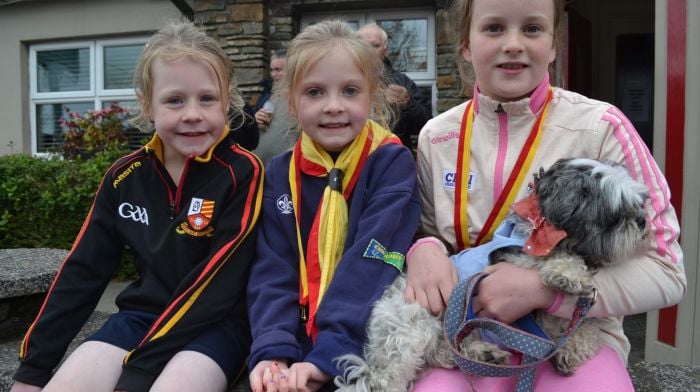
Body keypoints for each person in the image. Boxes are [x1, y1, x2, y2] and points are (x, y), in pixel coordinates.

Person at [404, 0, 686, 390]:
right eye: (493, 28)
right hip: (465, 333)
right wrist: (423, 249)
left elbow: (666, 271)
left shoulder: (602, 128)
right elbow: (422, 232)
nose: (514, 43)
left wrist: (547, 293)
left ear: (554, 44)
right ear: (465, 44)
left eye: (533, 29)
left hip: (572, 338)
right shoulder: (437, 136)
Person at [10, 19, 263, 392]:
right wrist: (32, 371)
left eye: (207, 98)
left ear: (227, 101)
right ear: (147, 105)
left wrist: (140, 369)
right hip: (141, 317)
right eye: (175, 100)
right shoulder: (124, 176)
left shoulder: (242, 172)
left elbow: (218, 286)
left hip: (218, 327)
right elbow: (83, 270)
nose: (192, 113)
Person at [246, 20, 421, 392]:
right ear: (291, 102)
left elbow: (372, 261)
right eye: (314, 92)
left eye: (350, 91)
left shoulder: (391, 163)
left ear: (372, 96)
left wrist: (332, 352)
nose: (334, 107)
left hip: (366, 343)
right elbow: (274, 266)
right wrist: (273, 348)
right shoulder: (281, 172)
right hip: (297, 339)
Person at [358, 23, 432, 151]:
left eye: (375, 45)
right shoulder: (344, 81)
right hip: (353, 159)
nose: (369, 50)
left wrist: (408, 103)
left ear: (385, 50)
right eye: (364, 46)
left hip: (393, 159)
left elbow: (426, 125)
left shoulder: (402, 82)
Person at [253, 50, 299, 164]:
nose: (273, 74)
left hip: (284, 169)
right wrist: (254, 119)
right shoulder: (266, 97)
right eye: (272, 70)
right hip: (258, 168)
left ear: (291, 71)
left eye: (278, 70)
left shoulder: (300, 98)